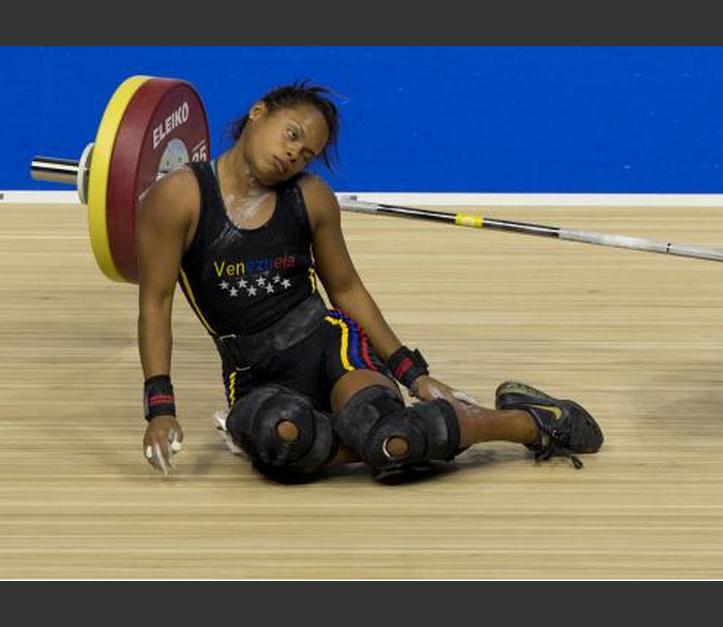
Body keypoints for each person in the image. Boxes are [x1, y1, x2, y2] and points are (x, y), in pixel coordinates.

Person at [135, 80, 604, 482]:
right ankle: (329, 438)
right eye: (291, 134)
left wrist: (414, 375)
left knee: (391, 441)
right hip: (255, 373)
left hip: (330, 347)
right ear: (258, 113)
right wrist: (160, 409)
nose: (293, 154)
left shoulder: (312, 199)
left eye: (305, 153)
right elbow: (155, 304)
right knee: (284, 435)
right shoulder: (178, 198)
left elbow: (346, 290)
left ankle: (529, 421)